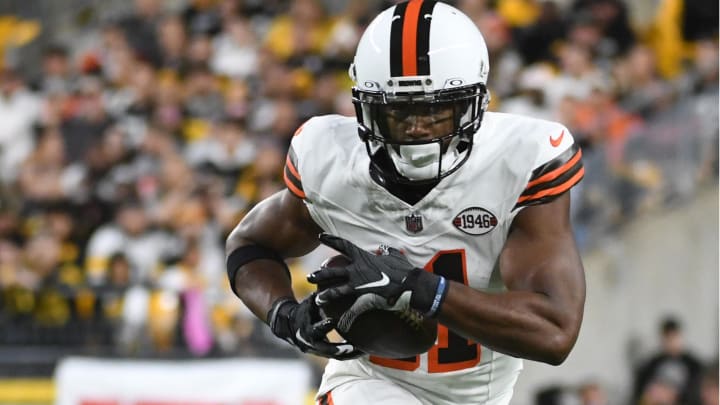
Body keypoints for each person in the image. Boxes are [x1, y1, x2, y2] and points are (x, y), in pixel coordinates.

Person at [226, 1, 586, 404]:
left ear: (476, 104)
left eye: (436, 112)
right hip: (367, 384)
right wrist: (283, 315)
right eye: (398, 112)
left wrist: (417, 287)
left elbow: (555, 332)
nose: (417, 130)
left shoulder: (520, 161)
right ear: (364, 107)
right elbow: (249, 245)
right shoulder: (331, 161)